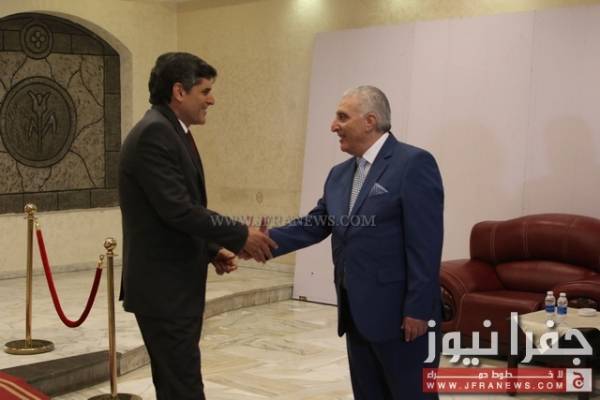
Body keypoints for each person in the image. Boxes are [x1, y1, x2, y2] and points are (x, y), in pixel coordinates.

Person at [264, 86, 444, 399]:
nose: (333, 126)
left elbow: (426, 245)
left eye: (342, 117)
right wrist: (257, 242)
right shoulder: (338, 174)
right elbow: (315, 224)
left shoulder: (414, 163)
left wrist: (418, 309)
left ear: (370, 121)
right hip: (356, 313)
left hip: (403, 318)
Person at [118, 52, 277, 400]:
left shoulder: (170, 130)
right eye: (205, 91)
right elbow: (179, 209)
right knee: (183, 388)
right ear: (179, 91)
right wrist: (240, 235)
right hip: (164, 292)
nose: (211, 100)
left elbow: (171, 212)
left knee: (178, 384)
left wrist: (210, 249)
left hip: (171, 289)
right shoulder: (155, 133)